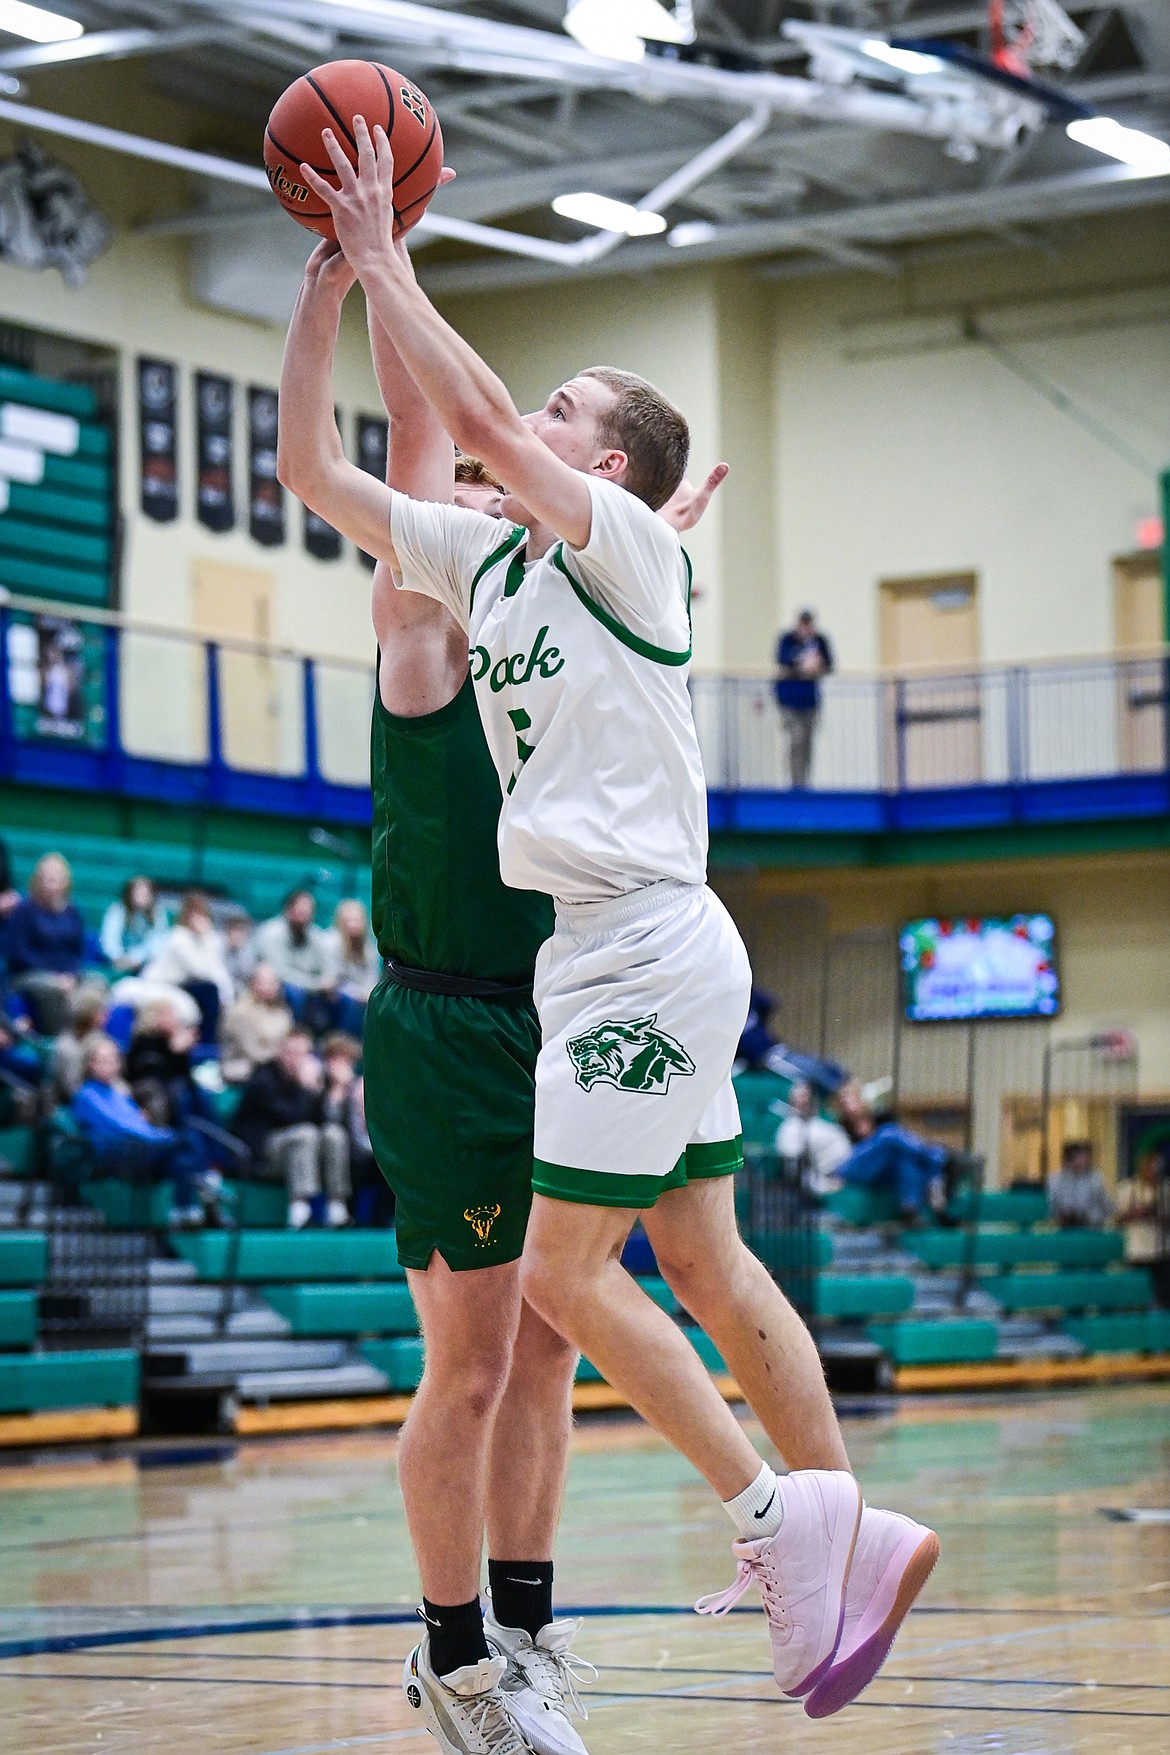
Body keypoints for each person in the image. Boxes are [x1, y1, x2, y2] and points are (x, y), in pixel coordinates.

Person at [279, 120, 937, 1746]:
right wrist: (331, 286)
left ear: (615, 473)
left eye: (571, 413)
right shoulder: (496, 567)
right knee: (703, 1257)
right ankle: (842, 1537)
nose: (536, 417)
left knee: (571, 1287)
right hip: (597, 962)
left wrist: (390, 257)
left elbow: (484, 414)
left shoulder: (622, 544)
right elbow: (326, 472)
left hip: (630, 949)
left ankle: (785, 1524)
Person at [72, 1033, 221, 1227]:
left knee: (183, 1161)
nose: (112, 1065)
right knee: (188, 1138)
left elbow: (137, 1124)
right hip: (115, 1153)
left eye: (114, 1059)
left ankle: (184, 1212)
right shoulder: (87, 1095)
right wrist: (161, 1136)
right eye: (104, 1060)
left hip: (139, 1148)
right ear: (90, 1064)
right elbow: (122, 1126)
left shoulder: (118, 1092)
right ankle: (207, 1185)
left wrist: (157, 1135)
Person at [232, 1026, 350, 1229]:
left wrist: (333, 1092)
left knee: (334, 1134)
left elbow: (324, 1121)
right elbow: (292, 1116)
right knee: (305, 1134)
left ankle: (336, 1206)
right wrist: (307, 1088)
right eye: (291, 1053)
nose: (296, 1060)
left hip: (307, 1149)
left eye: (303, 1054)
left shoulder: (312, 1081)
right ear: (280, 1053)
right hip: (265, 1151)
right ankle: (299, 1209)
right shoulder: (264, 1078)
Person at [5, 852, 87, 1034]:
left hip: (67, 974)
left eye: (56, 879)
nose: (51, 884)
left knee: (96, 983)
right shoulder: (24, 909)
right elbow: (18, 951)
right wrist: (55, 976)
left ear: (66, 882)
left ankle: (87, 1040)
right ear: (38, 880)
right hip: (27, 974)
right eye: (47, 879)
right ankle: (57, 1039)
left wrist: (71, 975)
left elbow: (78, 950)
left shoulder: (72, 911)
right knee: (51, 988)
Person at [140, 890, 234, 1044]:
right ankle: (205, 1042)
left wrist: (228, 996)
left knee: (214, 992)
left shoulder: (210, 940)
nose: (199, 920)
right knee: (209, 991)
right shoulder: (179, 938)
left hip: (188, 984)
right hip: (164, 983)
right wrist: (207, 938)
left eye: (202, 914)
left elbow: (218, 971)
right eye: (195, 915)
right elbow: (200, 970)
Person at [252, 890, 338, 1030]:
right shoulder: (271, 933)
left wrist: (329, 980)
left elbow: (329, 965)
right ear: (288, 910)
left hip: (310, 987)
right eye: (300, 912)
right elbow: (281, 974)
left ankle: (336, 1044)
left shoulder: (314, 934)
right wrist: (317, 985)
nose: (303, 917)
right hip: (275, 985)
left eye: (307, 913)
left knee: (342, 999)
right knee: (294, 992)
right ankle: (295, 1037)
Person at [774, 610, 833, 789]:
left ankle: (805, 782)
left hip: (810, 701)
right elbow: (783, 661)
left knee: (807, 741)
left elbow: (829, 664)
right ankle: (796, 783)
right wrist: (802, 665)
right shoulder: (787, 640)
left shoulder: (819, 641)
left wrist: (817, 665)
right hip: (790, 700)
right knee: (796, 740)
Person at [218, 963, 293, 1085]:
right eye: (263, 982)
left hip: (276, 1065)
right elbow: (252, 1051)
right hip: (244, 1066)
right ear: (251, 984)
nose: (268, 987)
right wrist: (282, 1061)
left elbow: (288, 1042)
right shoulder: (240, 1012)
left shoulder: (283, 1012)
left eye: (272, 982)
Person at [775, 1081, 851, 1196]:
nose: (804, 1100)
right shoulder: (789, 1129)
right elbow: (796, 1169)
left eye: (806, 1095)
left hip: (849, 1168)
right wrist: (824, 1185)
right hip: (829, 1177)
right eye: (800, 1096)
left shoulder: (824, 1120)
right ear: (791, 1100)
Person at [323, 898, 380, 1032]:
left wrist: (367, 993)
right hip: (338, 995)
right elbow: (334, 979)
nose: (353, 925)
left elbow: (372, 979)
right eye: (349, 920)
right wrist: (357, 993)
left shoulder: (370, 947)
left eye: (357, 920)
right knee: (350, 1003)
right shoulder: (330, 942)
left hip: (362, 995)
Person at [49, 979, 111, 1102]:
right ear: (89, 1014)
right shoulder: (66, 1047)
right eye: (102, 1013)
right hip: (79, 1102)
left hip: (104, 1096)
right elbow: (72, 1090)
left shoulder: (100, 1039)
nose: (107, 1017)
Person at [99, 876, 168, 973]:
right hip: (116, 963)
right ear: (129, 893)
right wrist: (119, 958)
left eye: (145, 893)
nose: (141, 896)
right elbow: (109, 939)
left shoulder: (158, 913)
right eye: (137, 892)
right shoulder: (117, 910)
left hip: (146, 964)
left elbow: (158, 941)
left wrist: (136, 958)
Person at [1048, 1139, 1113, 1230]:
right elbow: (1049, 1207)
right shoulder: (1055, 1180)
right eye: (1082, 1156)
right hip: (1062, 1229)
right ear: (1070, 1158)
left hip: (1091, 1228)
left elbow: (1108, 1208)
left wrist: (1089, 1216)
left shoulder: (1096, 1179)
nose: (1087, 1160)